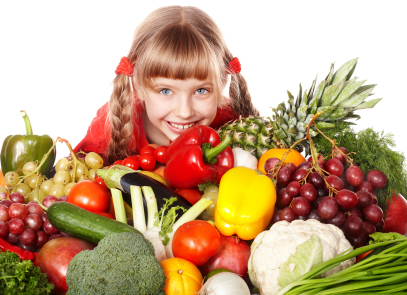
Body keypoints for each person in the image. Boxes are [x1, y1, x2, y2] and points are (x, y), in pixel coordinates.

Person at [74, 5, 259, 165]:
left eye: (201, 90)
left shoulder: (233, 123)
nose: (184, 112)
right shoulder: (110, 124)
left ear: (222, 83)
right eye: (165, 90)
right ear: (138, 85)